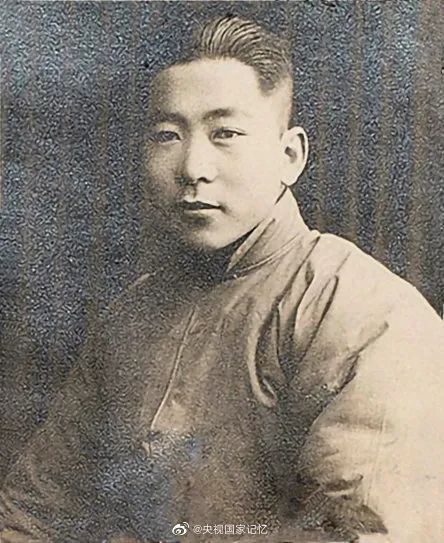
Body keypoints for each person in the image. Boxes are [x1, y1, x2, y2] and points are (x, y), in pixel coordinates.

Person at [1, 14, 443, 543]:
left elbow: (365, 531)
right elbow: (33, 513)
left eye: (225, 134)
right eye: (168, 135)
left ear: (290, 155)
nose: (192, 167)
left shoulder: (367, 314)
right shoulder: (130, 317)